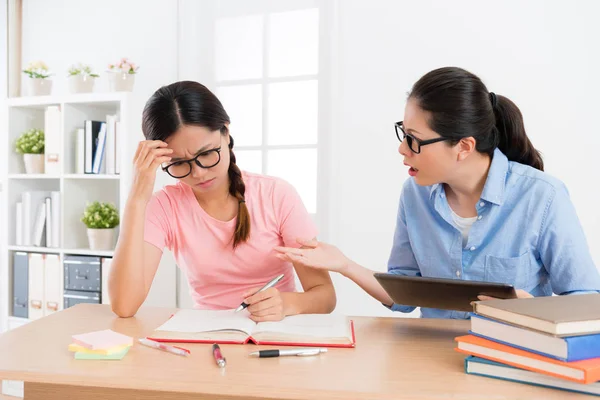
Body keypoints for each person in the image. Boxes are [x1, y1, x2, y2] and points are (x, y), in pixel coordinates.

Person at [275, 66, 600, 319]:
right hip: (430, 357)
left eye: (414, 139)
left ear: (463, 147)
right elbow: (404, 296)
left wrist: (530, 307)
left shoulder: (542, 197)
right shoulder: (414, 195)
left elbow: (588, 304)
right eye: (403, 133)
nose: (403, 149)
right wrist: (343, 264)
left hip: (513, 358)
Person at [109, 81, 336, 320]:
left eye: (206, 154)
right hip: (209, 338)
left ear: (226, 133)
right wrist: (137, 197)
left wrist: (288, 303)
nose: (198, 173)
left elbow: (325, 295)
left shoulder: (276, 194)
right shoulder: (164, 206)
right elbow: (124, 306)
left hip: (275, 335)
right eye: (178, 164)